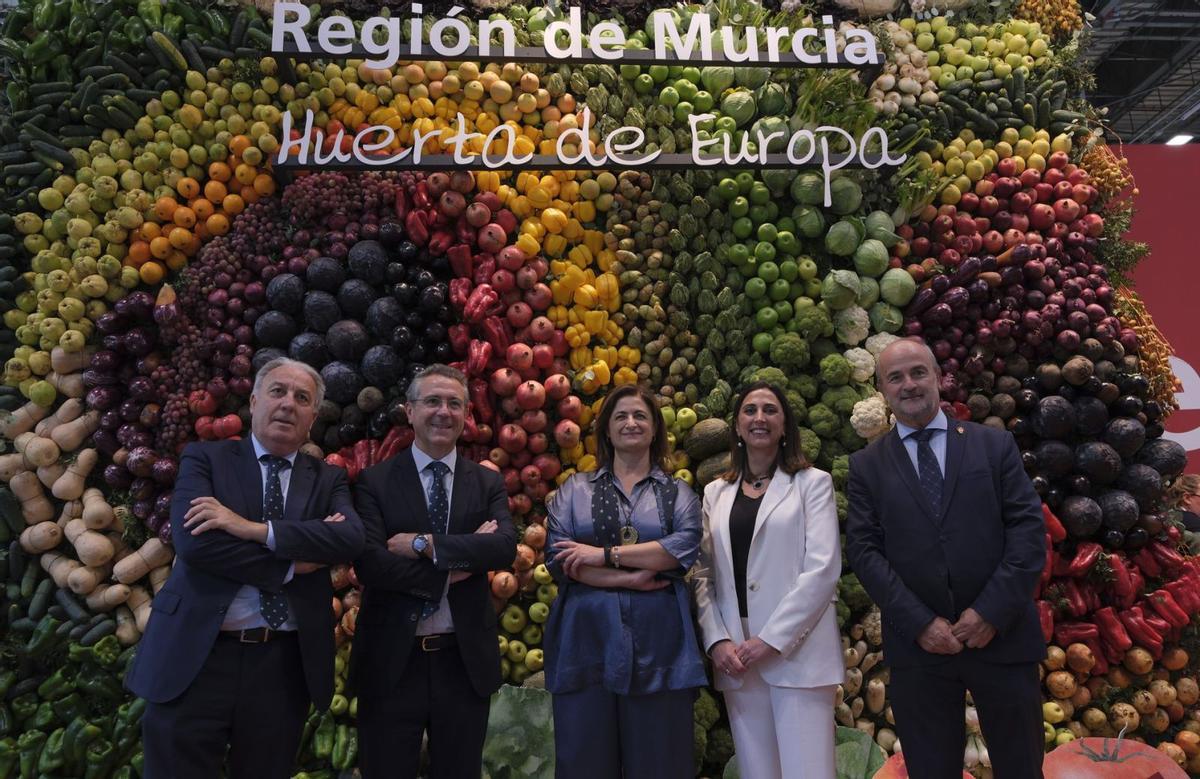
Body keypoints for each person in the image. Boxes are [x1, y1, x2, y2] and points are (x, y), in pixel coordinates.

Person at [126, 357, 366, 779]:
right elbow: (197, 545)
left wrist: (250, 529)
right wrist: (293, 564)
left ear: (312, 418)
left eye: (302, 398)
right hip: (197, 655)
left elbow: (349, 538)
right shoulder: (206, 458)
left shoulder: (327, 480)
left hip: (282, 663)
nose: (288, 404)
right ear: (254, 402)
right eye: (277, 391)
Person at [845, 339, 1046, 778]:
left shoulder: (994, 446)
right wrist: (919, 623)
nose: (909, 384)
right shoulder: (866, 466)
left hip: (1002, 639)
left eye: (918, 372)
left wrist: (990, 611)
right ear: (882, 389)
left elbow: (1028, 533)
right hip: (921, 651)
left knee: (1021, 767)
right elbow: (864, 550)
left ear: (938, 378)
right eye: (895, 377)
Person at [350, 364, 516, 779]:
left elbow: (501, 548)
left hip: (462, 663)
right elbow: (372, 564)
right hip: (391, 663)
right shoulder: (374, 482)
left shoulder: (486, 483)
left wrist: (423, 545)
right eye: (432, 401)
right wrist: (457, 567)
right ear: (409, 411)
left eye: (454, 404)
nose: (444, 411)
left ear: (466, 415)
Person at [543, 383, 707, 779]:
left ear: (655, 430)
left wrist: (602, 556)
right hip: (585, 642)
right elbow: (559, 558)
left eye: (640, 416)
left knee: (661, 766)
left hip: (661, 648)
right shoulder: (575, 490)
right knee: (583, 765)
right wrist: (634, 578)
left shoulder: (678, 492)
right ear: (606, 431)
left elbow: (681, 548)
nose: (630, 423)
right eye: (620, 416)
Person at [693, 380, 843, 778]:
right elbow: (703, 573)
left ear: (784, 426)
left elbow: (823, 569)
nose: (760, 417)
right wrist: (717, 640)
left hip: (798, 650)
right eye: (750, 410)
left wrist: (771, 640)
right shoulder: (715, 492)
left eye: (770, 410)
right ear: (738, 427)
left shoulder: (813, 483)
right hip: (735, 655)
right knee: (758, 772)